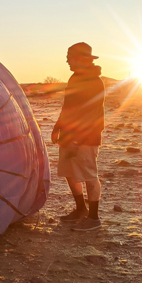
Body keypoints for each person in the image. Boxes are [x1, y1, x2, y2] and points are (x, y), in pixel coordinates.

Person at [51, 42, 105, 231]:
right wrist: (58, 126)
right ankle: (80, 209)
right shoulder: (75, 78)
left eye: (70, 56)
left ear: (81, 58)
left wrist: (77, 139)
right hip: (69, 135)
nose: (67, 60)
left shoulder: (94, 82)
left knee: (89, 175)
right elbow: (69, 107)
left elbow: (91, 113)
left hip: (86, 138)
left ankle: (94, 218)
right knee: (69, 173)